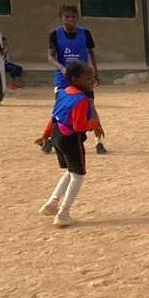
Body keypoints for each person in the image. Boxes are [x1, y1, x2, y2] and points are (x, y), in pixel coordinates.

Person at [35, 61, 102, 227]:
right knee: (78, 175)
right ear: (75, 79)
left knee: (70, 172)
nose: (92, 81)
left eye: (93, 78)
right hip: (70, 139)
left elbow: (54, 117)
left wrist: (45, 135)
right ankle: (63, 213)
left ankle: (51, 203)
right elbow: (79, 126)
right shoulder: (81, 100)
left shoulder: (63, 93)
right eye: (88, 78)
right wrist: (94, 124)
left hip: (57, 135)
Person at [47, 5, 106, 153]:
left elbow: (91, 54)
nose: (70, 20)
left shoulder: (85, 33)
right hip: (63, 78)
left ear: (77, 18)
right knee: (60, 109)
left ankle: (99, 142)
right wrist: (61, 68)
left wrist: (95, 73)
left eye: (73, 17)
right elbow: (50, 56)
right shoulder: (55, 34)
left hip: (83, 78)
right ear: (62, 18)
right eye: (67, 17)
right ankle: (50, 139)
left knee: (90, 106)